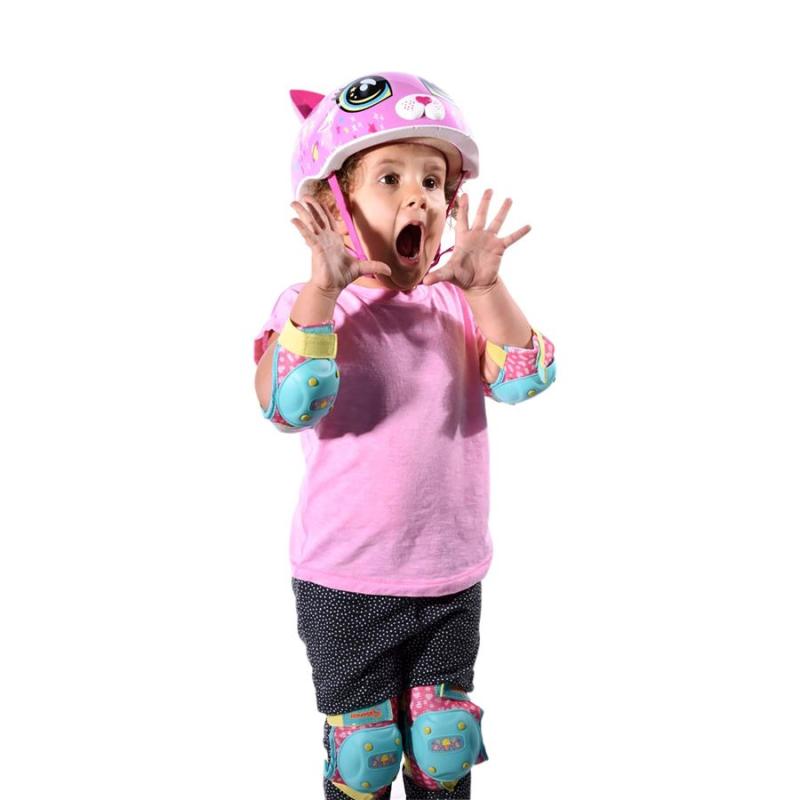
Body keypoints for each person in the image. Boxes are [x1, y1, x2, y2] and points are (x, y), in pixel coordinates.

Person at [252, 72, 557, 800]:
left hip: (449, 573)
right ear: (334, 205)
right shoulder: (310, 306)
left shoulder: (458, 303)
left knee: (442, 747)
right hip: (345, 580)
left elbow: (527, 376)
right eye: (390, 178)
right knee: (366, 752)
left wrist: (487, 288)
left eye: (433, 180)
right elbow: (285, 404)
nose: (419, 197)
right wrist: (322, 292)